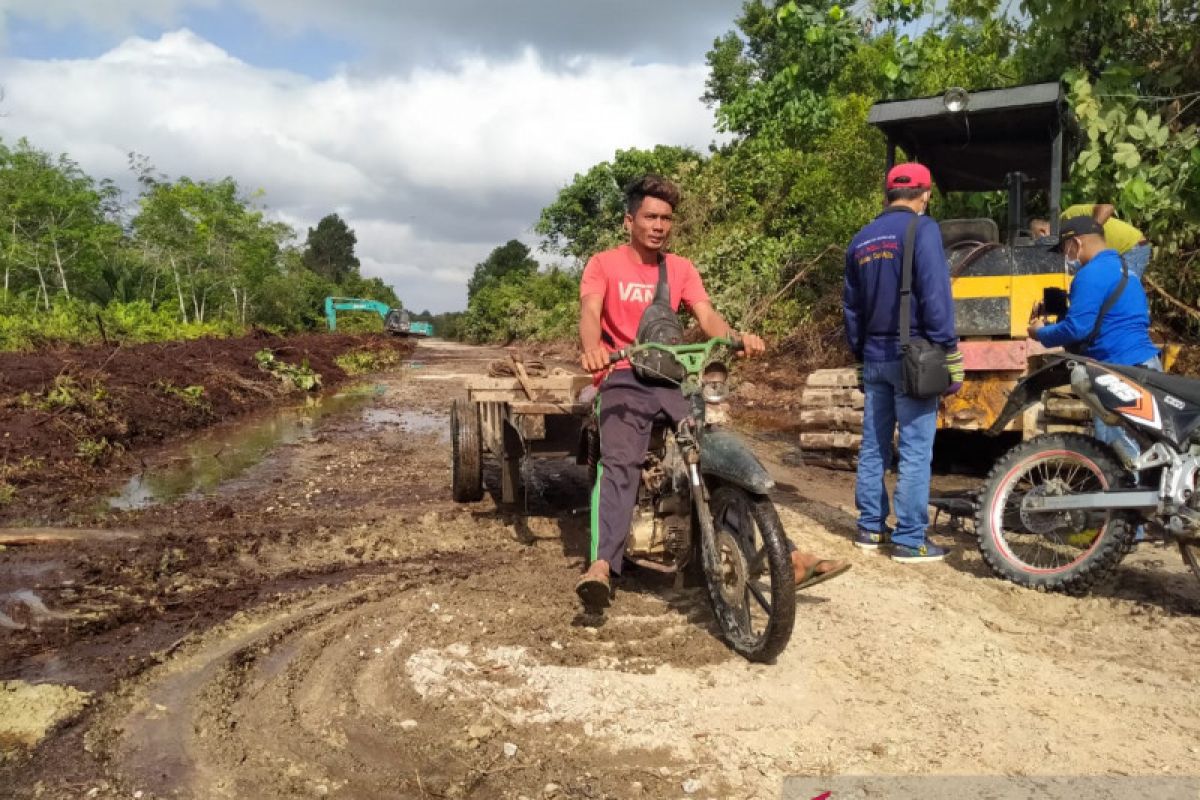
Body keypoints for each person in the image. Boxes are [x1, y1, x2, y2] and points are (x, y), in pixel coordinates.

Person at [575, 174, 851, 610]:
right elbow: (591, 311)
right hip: (623, 374)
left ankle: (786, 554)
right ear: (629, 221)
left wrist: (734, 337)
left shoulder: (680, 268)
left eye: (666, 218)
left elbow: (707, 317)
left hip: (672, 376)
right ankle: (602, 566)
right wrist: (592, 349)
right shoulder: (603, 264)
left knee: (714, 448)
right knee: (620, 464)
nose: (659, 225)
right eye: (650, 216)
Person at [843, 163, 963, 563]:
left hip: (874, 358)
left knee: (874, 445)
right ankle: (911, 539)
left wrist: (859, 355)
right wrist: (949, 348)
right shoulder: (922, 228)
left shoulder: (860, 240)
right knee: (914, 448)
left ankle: (871, 528)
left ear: (887, 194)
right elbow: (935, 292)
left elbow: (852, 309)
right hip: (914, 357)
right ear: (925, 194)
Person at [1028, 216, 1161, 468]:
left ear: (1076, 243)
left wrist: (1040, 332)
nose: (1065, 257)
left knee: (1119, 455)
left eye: (1065, 249)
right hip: (1145, 364)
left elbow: (1077, 329)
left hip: (1117, 370)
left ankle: (1125, 505)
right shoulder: (1125, 269)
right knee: (1147, 449)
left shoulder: (1090, 274)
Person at [1030, 203, 1151, 278]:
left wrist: (1091, 232)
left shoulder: (1069, 215)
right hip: (1113, 254)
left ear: (1042, 232)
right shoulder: (1064, 241)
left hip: (1132, 245)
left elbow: (1107, 208)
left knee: (1121, 293)